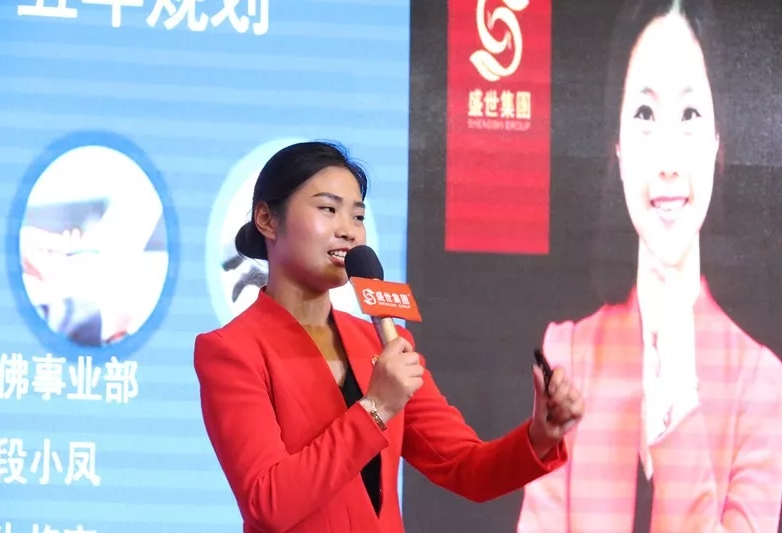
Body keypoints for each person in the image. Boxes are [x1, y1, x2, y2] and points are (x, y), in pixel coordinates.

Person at [193, 140, 585, 533]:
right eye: (328, 209)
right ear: (267, 220)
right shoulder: (232, 351)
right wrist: (376, 407)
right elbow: (268, 502)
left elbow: (466, 468)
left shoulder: (382, 343)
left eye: (358, 215)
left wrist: (539, 435)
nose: (347, 230)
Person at [517, 1, 782, 532]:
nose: (667, 161)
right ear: (617, 145)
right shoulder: (568, 354)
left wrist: (678, 406)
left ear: (717, 142)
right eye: (643, 114)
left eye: (689, 115)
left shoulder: (760, 383)